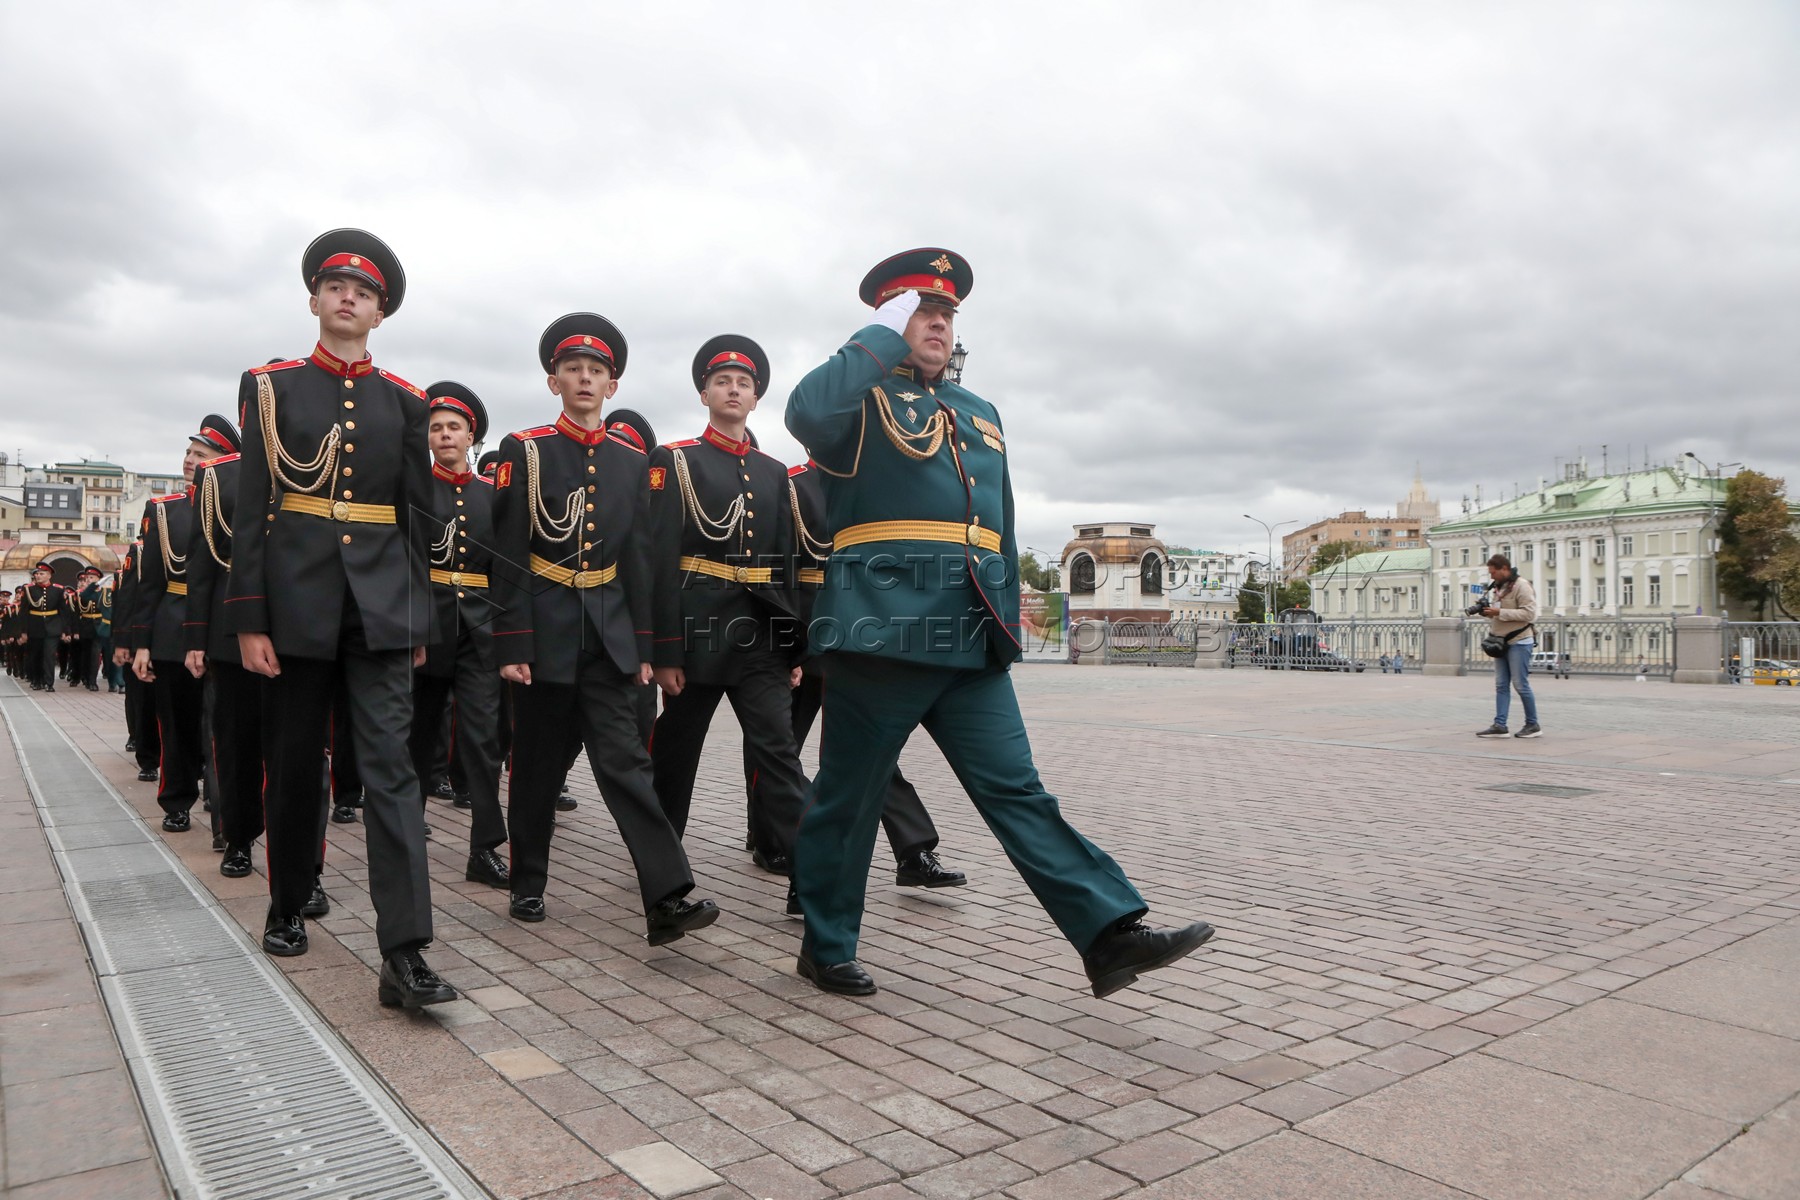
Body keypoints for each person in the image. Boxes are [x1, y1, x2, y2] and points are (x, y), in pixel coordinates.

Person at [783, 248, 1213, 997]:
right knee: (849, 800)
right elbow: (805, 413)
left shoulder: (980, 413)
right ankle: (826, 945)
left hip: (970, 634)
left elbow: (1000, 533)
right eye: (922, 310)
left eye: (947, 314)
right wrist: (877, 335)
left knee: (1018, 790)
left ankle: (1108, 934)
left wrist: (1007, 626)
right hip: (881, 629)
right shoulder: (857, 401)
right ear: (889, 320)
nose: (938, 324)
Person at [227, 228, 454, 1009]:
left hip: (381, 608)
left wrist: (417, 621)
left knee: (392, 770)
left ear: (379, 313)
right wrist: (249, 617)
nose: (349, 298)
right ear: (315, 300)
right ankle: (289, 902)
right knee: (296, 763)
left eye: (363, 293)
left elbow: (419, 520)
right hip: (295, 602)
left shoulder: (408, 401)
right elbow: (252, 507)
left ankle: (406, 952)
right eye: (335, 287)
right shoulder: (271, 387)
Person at [490, 313, 720, 942]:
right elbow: (507, 553)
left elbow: (641, 561)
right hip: (543, 633)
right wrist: (511, 641)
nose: (585, 378)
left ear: (612, 386)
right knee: (537, 767)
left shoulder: (633, 461)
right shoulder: (525, 450)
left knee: (627, 766)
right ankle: (527, 882)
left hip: (610, 638)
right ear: (554, 381)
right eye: (573, 369)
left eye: (596, 371)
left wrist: (645, 645)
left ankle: (668, 896)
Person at [764, 458, 969, 911]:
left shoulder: (876, 480)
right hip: (803, 633)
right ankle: (778, 844)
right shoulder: (791, 483)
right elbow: (775, 569)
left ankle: (913, 850)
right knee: (778, 754)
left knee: (868, 752)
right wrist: (786, 645)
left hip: (857, 635)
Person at [648, 335, 811, 879]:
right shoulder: (675, 460)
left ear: (756, 398)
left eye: (744, 383)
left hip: (759, 639)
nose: (733, 390)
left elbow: (785, 565)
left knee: (779, 754)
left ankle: (808, 876)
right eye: (722, 382)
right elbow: (659, 560)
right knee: (676, 754)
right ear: (705, 394)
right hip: (695, 636)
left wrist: (791, 649)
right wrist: (664, 651)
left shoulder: (773, 472)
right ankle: (663, 863)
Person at [406, 381, 510, 889]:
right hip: (424, 627)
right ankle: (405, 832)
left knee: (483, 740)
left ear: (472, 436)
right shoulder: (412, 490)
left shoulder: (494, 496)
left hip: (479, 632)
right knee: (416, 736)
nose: (445, 435)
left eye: (454, 427)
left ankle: (485, 848)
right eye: (436, 428)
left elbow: (506, 570)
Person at [132, 418, 233, 832]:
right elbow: (150, 583)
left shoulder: (236, 504)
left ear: (224, 461)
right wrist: (142, 643)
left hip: (222, 624)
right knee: (176, 723)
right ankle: (177, 800)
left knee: (222, 724)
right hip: (173, 627)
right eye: (189, 452)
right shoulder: (164, 510)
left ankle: (222, 803)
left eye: (201, 454)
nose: (190, 460)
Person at [184, 414, 269, 878]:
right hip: (231, 623)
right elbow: (202, 562)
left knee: (303, 750)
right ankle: (238, 837)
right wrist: (196, 637)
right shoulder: (220, 476)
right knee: (236, 742)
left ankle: (306, 866)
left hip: (303, 621)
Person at [1475, 553, 1541, 738]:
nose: (1491, 576)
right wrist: (1488, 612)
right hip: (1499, 642)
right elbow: (1498, 614)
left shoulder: (1522, 586)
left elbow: (1529, 614)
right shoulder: (1498, 587)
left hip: (1519, 641)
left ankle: (1533, 725)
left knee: (1520, 685)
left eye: (1493, 572)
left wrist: (1499, 612)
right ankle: (1500, 725)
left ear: (1504, 569)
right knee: (1501, 685)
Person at [19, 563, 69, 692]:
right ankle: (37, 681)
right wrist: (23, 631)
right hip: (35, 627)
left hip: (53, 627)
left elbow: (63, 611)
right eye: (37, 574)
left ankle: (49, 683)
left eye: (41, 574)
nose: (38, 576)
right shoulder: (29, 590)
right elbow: (23, 612)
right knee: (36, 655)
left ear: (49, 575)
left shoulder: (58, 590)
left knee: (49, 656)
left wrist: (65, 630)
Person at [70, 567, 105, 690]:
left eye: (92, 577)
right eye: (87, 578)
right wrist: (75, 630)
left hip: (99, 626)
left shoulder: (104, 593)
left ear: (98, 579)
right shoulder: (81, 594)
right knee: (85, 653)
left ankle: (92, 681)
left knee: (95, 654)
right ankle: (84, 677)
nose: (89, 580)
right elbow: (76, 613)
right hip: (85, 625)